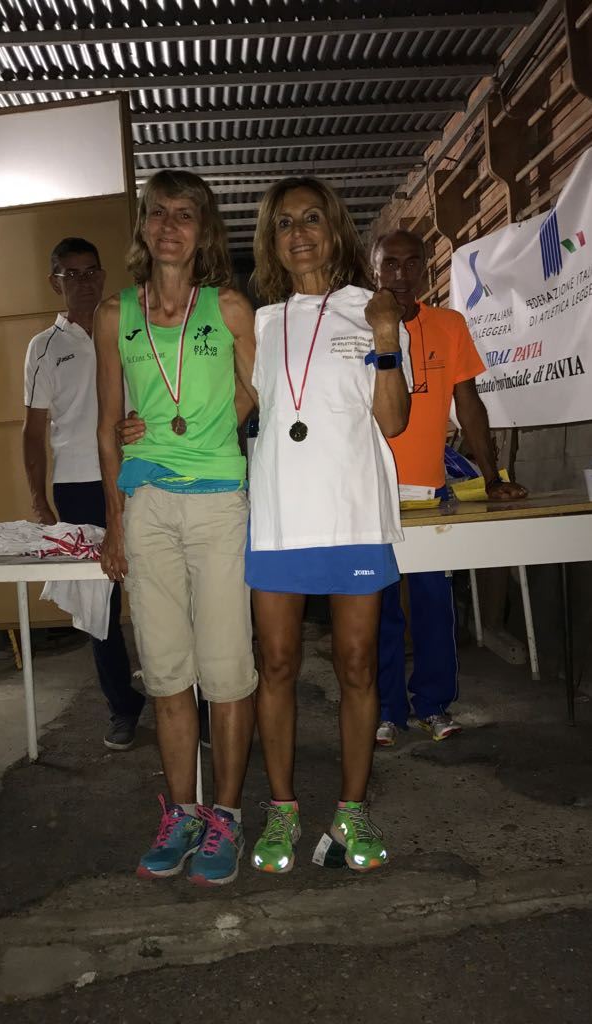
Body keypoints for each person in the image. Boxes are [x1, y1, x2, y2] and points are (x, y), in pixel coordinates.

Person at [94, 170, 258, 887]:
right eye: (157, 212)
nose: (169, 225)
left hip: (218, 504)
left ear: (204, 230)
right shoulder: (114, 313)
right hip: (148, 507)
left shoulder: (229, 307)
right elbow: (108, 425)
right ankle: (183, 813)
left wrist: (218, 421)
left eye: (184, 214)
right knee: (165, 673)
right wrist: (114, 524)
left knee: (225, 672)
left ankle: (227, 815)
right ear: (142, 225)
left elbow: (260, 390)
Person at [245, 177, 412, 874]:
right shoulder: (259, 323)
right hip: (280, 518)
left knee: (357, 665)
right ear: (272, 241)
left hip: (352, 513)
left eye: (311, 218)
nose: (299, 233)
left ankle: (352, 809)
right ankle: (282, 809)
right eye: (285, 223)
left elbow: (393, 421)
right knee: (276, 665)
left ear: (335, 229)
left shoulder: (371, 310)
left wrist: (385, 338)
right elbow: (231, 407)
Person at [370, 230, 528, 747]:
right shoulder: (355, 326)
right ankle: (386, 710)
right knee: (378, 611)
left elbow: (470, 404)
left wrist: (492, 477)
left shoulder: (449, 325)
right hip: (369, 497)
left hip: (429, 494)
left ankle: (433, 705)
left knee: (434, 606)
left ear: (426, 269)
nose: (401, 274)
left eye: (412, 263)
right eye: (390, 264)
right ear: (374, 269)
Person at [22, 237, 145, 751]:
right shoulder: (44, 347)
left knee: (164, 590)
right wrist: (40, 501)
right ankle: (122, 707)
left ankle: (192, 703)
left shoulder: (130, 326)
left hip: (139, 473)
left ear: (103, 274)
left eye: (91, 271)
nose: (84, 282)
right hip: (77, 486)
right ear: (55, 282)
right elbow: (33, 432)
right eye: (70, 274)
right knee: (99, 606)